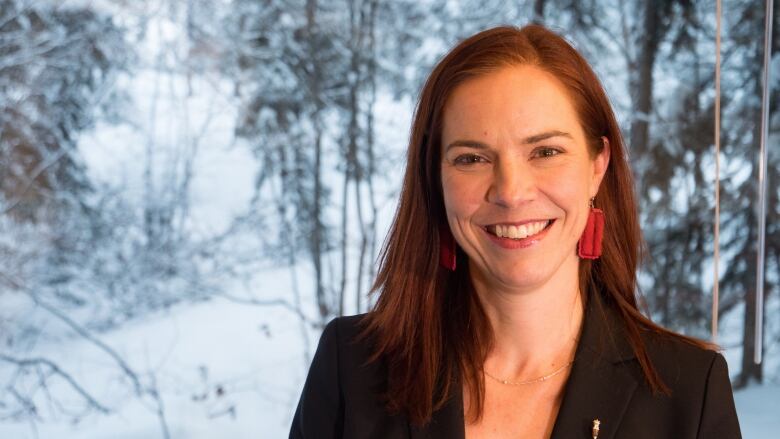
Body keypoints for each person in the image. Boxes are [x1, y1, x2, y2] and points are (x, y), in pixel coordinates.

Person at [289, 24, 742, 439]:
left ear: (597, 167)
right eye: (471, 158)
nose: (510, 192)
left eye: (545, 151)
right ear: (436, 178)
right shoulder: (351, 369)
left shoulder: (689, 392)